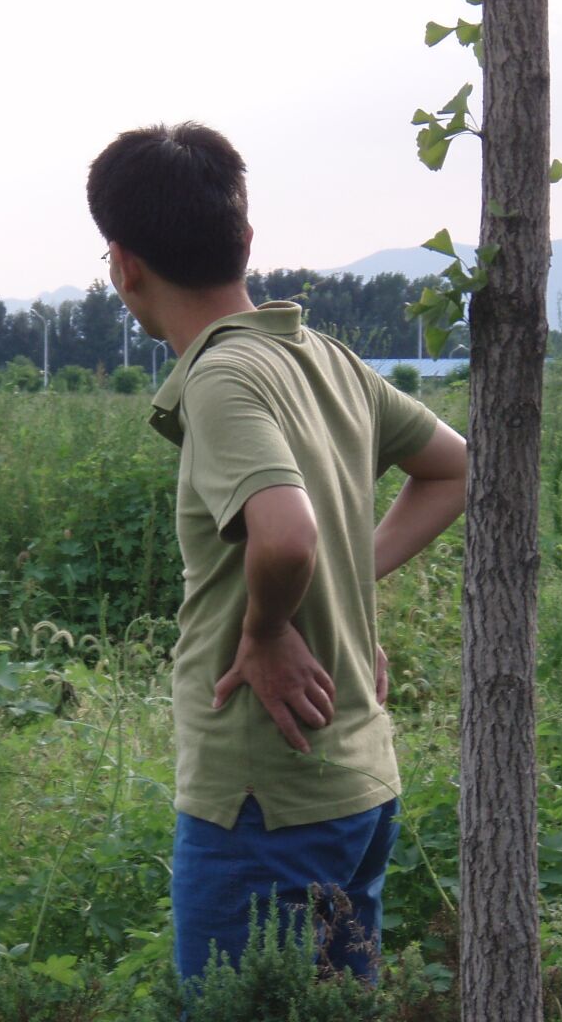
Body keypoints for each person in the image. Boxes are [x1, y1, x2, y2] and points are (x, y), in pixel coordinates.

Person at [86, 121, 468, 990]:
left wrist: (265, 629)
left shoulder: (222, 377)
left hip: (262, 802)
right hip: (358, 787)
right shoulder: (327, 359)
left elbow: (287, 535)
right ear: (244, 239)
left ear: (123, 264)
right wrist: (344, 584)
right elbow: (455, 467)